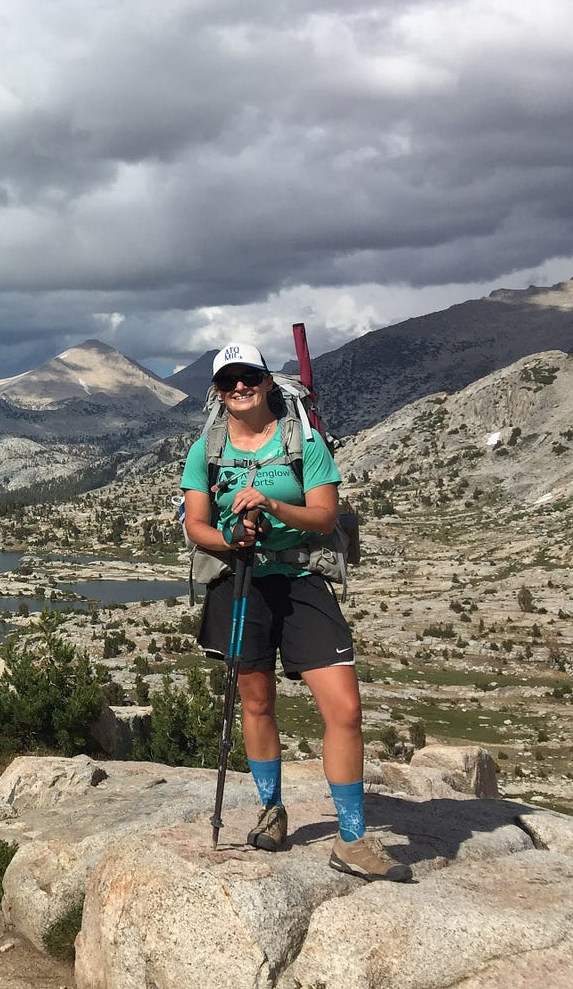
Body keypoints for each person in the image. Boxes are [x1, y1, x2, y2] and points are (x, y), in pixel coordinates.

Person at [179, 341, 412, 882]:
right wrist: (230, 536)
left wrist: (272, 505)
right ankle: (272, 809)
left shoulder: (302, 440)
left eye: (249, 376)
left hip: (302, 577)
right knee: (256, 702)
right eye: (228, 380)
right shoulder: (205, 449)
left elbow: (326, 516)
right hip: (241, 580)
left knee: (345, 708)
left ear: (267, 381)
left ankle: (351, 839)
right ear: (217, 390)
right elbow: (195, 526)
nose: (240, 386)